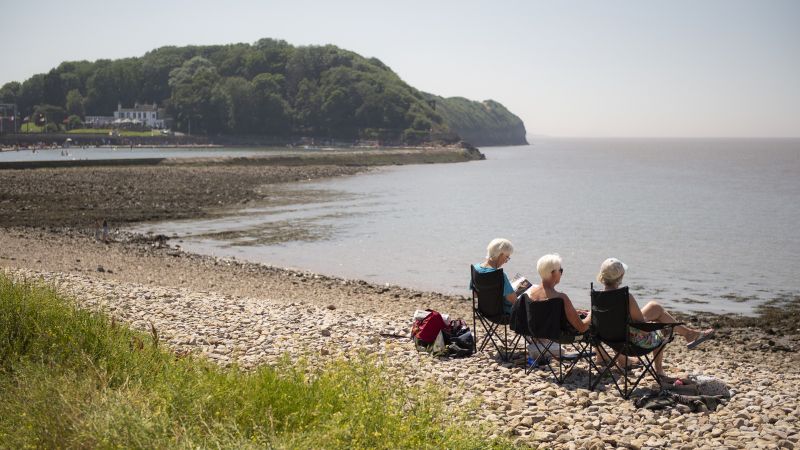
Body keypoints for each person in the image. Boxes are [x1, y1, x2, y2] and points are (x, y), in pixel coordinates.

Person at [596, 258, 715, 378]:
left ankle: (688, 334)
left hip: (612, 340)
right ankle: (659, 370)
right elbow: (642, 327)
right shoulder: (625, 297)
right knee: (664, 328)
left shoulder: (596, 297)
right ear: (620, 277)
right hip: (633, 343)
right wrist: (653, 323)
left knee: (654, 307)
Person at [525, 253, 590, 333]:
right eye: (560, 270)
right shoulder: (561, 298)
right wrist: (594, 312)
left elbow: (543, 312)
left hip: (533, 338)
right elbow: (582, 327)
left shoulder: (529, 293)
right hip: (553, 340)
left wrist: (570, 311)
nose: (561, 274)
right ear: (553, 273)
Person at [471, 238, 516, 315]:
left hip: (483, 311)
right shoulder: (499, 275)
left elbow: (475, 294)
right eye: (507, 257)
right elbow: (513, 300)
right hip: (502, 314)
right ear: (501, 255)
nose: (506, 261)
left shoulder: (476, 269)